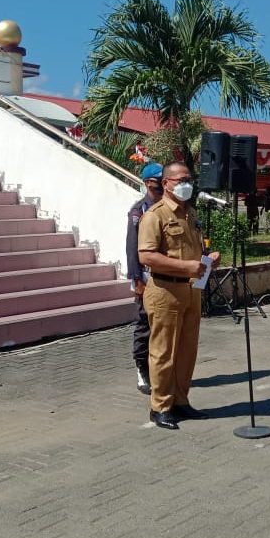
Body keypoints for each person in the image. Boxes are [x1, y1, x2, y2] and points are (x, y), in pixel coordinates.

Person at [137, 162, 221, 430]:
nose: (187, 184)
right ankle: (160, 406)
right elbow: (147, 256)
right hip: (165, 291)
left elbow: (192, 252)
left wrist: (208, 261)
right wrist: (187, 267)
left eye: (189, 179)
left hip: (191, 289)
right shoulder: (155, 215)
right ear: (166, 184)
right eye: (181, 180)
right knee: (163, 352)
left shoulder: (190, 213)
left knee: (187, 351)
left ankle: (180, 401)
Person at [126, 162, 164, 395]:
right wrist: (136, 278)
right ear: (148, 182)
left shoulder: (170, 208)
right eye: (158, 181)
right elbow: (132, 248)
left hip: (167, 279)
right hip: (146, 277)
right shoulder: (139, 211)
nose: (161, 185)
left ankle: (161, 370)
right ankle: (142, 368)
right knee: (144, 326)